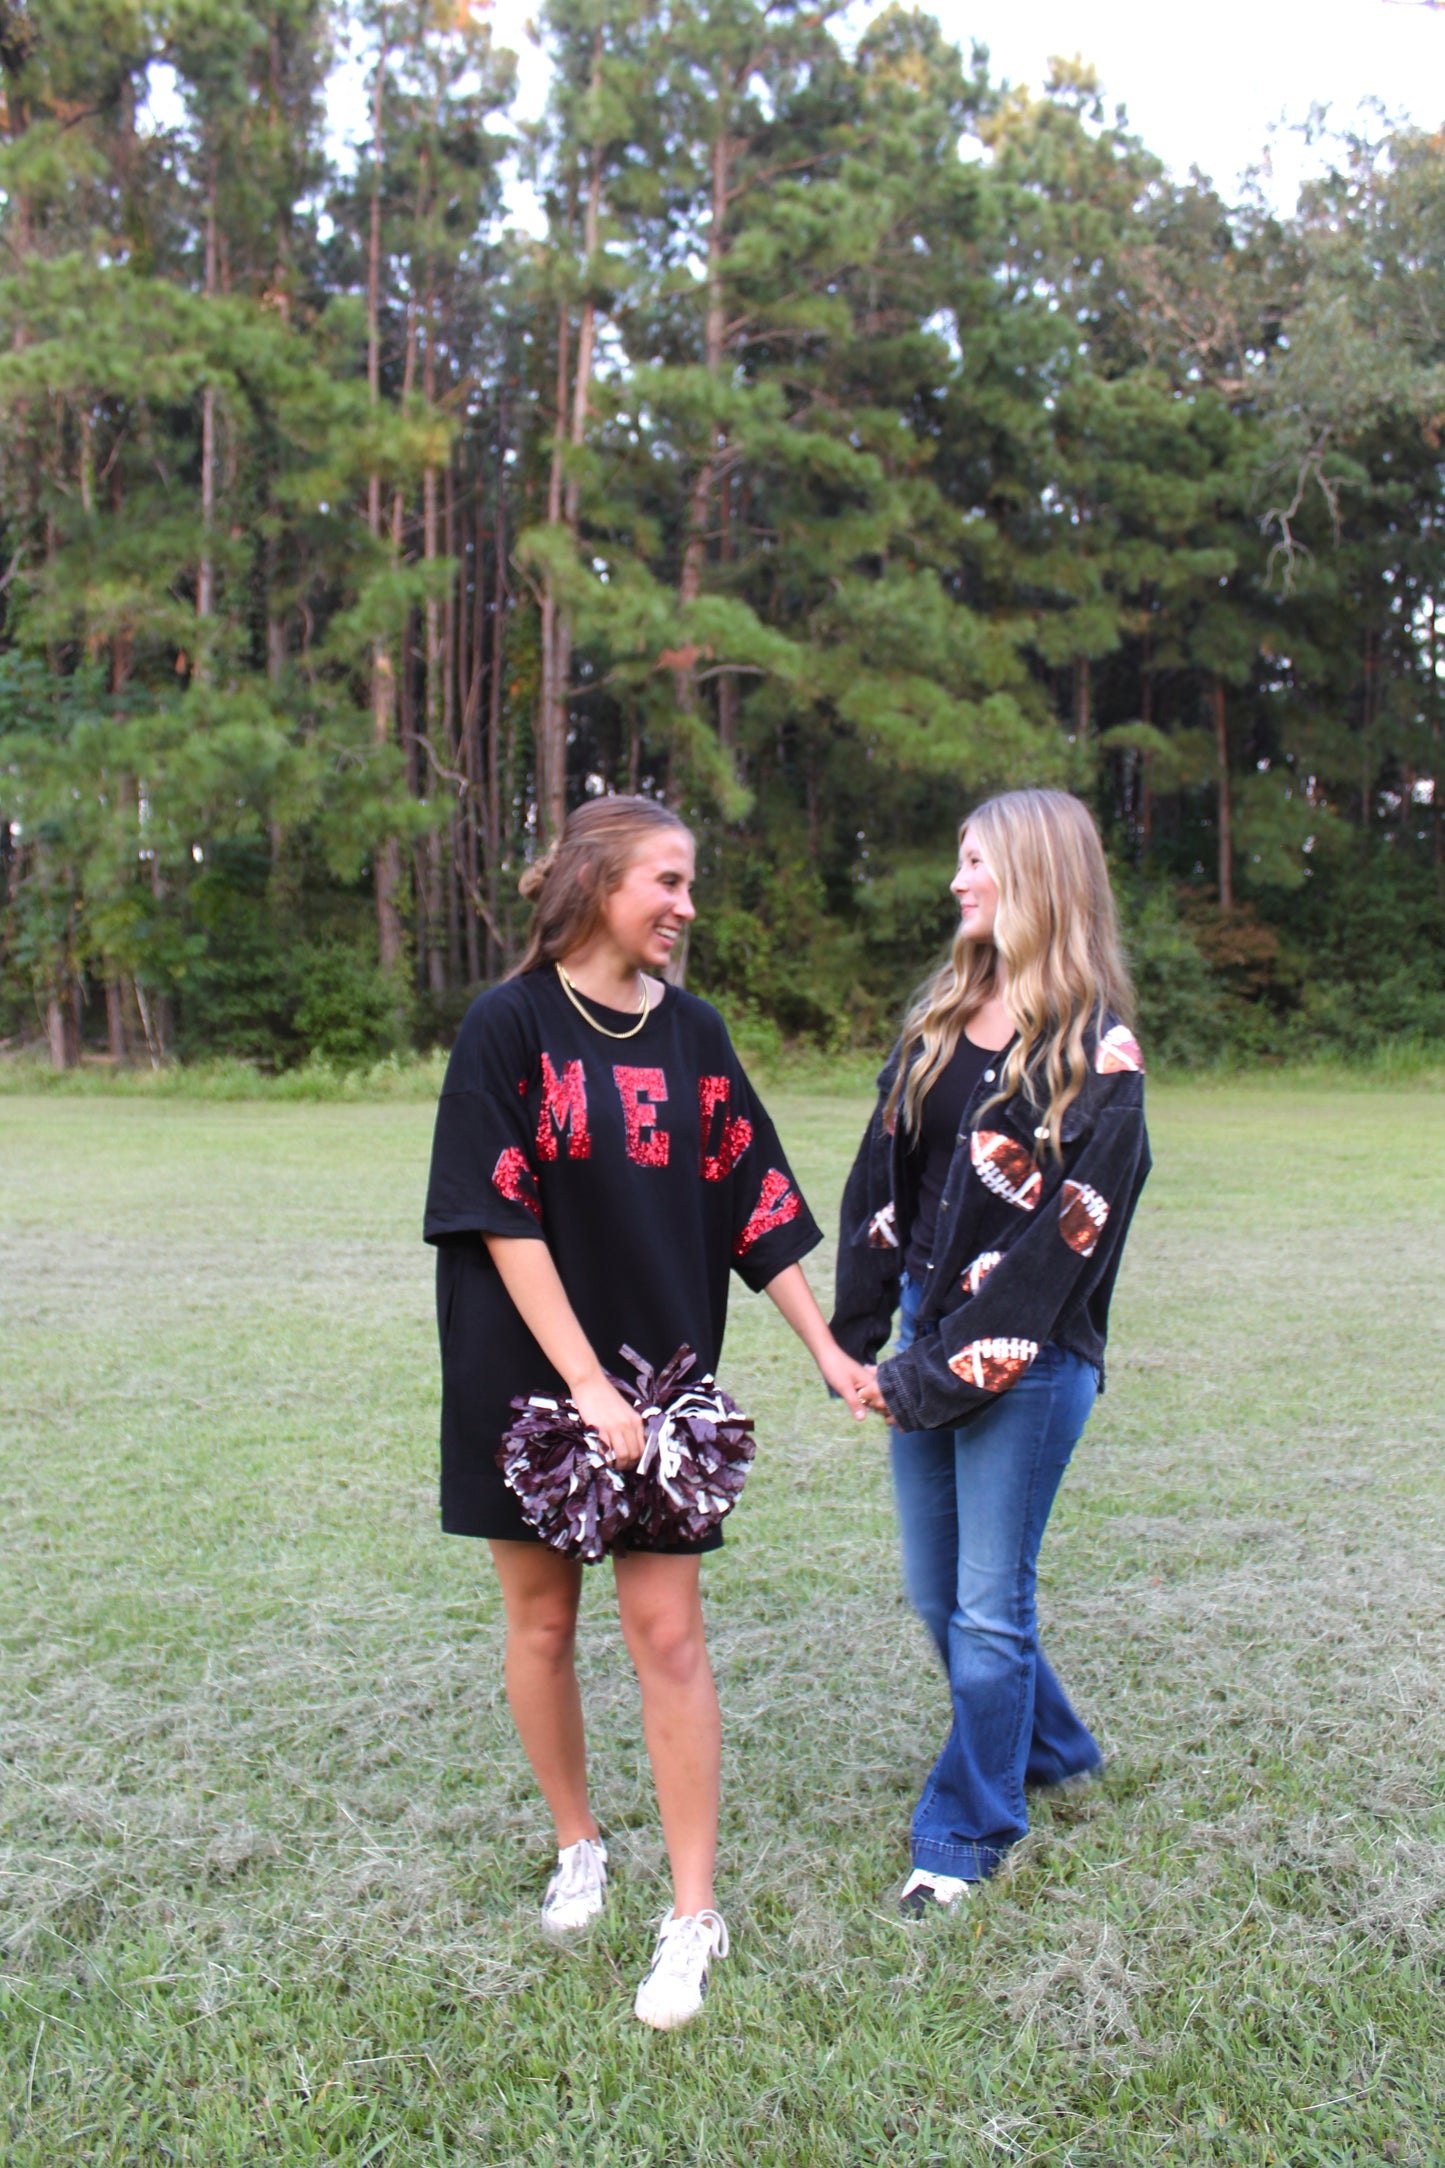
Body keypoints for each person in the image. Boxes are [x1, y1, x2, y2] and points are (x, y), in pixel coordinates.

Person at [424, 795, 871, 2028]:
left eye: (688, 885)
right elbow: (496, 1213)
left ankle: (690, 1913)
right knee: (542, 1622)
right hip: (529, 1370)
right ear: (595, 881)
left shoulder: (695, 1035)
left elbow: (754, 1198)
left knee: (666, 1629)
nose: (684, 906)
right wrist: (581, 1384)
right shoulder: (506, 1027)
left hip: (662, 1371)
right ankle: (577, 1840)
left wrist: (827, 1350)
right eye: (665, 881)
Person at [833, 787, 1151, 1913]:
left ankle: (966, 1833)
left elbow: (1048, 1260)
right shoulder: (937, 1020)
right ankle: (1054, 1747)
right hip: (928, 1331)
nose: (956, 881)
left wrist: (920, 1372)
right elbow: (881, 1181)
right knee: (940, 1599)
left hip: (1030, 1353)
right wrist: (860, 1329)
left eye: (976, 862)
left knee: (986, 1603)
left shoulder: (1098, 1059)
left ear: (1034, 875)